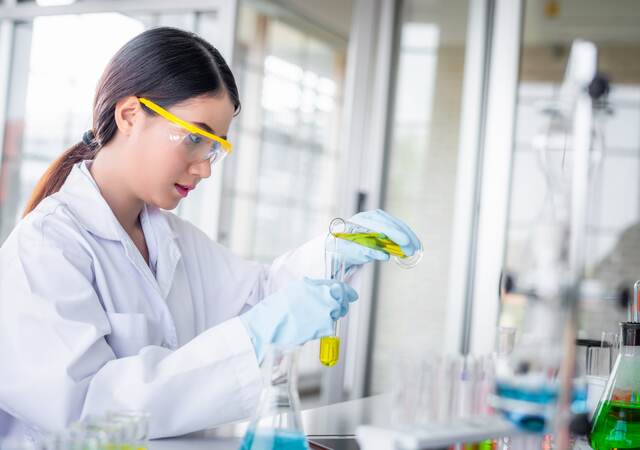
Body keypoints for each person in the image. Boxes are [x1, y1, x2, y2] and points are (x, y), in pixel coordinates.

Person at [0, 27, 420, 441]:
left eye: (215, 146)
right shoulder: (45, 247)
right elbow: (84, 408)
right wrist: (255, 337)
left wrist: (335, 252)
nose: (205, 167)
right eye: (193, 139)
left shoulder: (173, 238)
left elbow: (260, 297)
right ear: (129, 116)